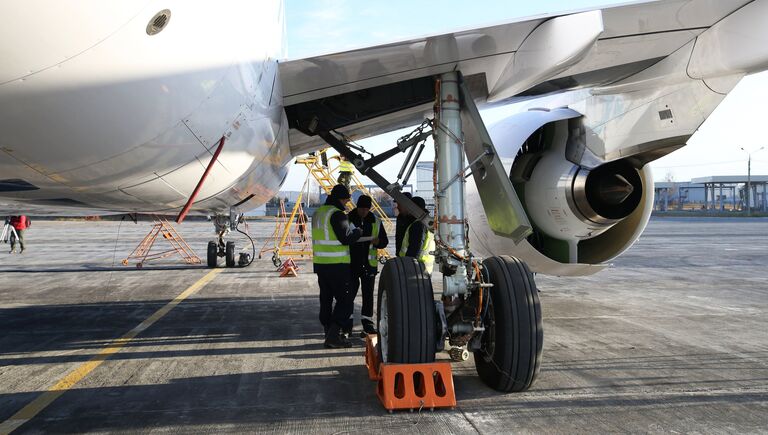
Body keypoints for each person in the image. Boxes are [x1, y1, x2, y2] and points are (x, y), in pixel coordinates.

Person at [312, 185, 362, 348]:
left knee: (325, 299)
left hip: (321, 264)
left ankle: (328, 333)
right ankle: (333, 336)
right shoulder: (337, 214)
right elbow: (346, 238)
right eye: (347, 199)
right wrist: (358, 232)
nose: (348, 202)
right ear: (340, 198)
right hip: (337, 265)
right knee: (345, 301)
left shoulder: (318, 213)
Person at [347, 195, 388, 336]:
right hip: (351, 264)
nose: (364, 211)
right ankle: (347, 324)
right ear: (357, 207)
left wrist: (378, 242)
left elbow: (384, 241)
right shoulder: (348, 219)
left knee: (368, 294)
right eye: (362, 209)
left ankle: (367, 323)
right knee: (348, 294)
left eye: (367, 209)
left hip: (369, 265)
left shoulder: (375, 221)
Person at [398, 197, 435, 274]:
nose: (408, 209)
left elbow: (415, 248)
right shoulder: (427, 223)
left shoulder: (418, 225)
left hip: (417, 269)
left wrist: (408, 266)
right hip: (423, 268)